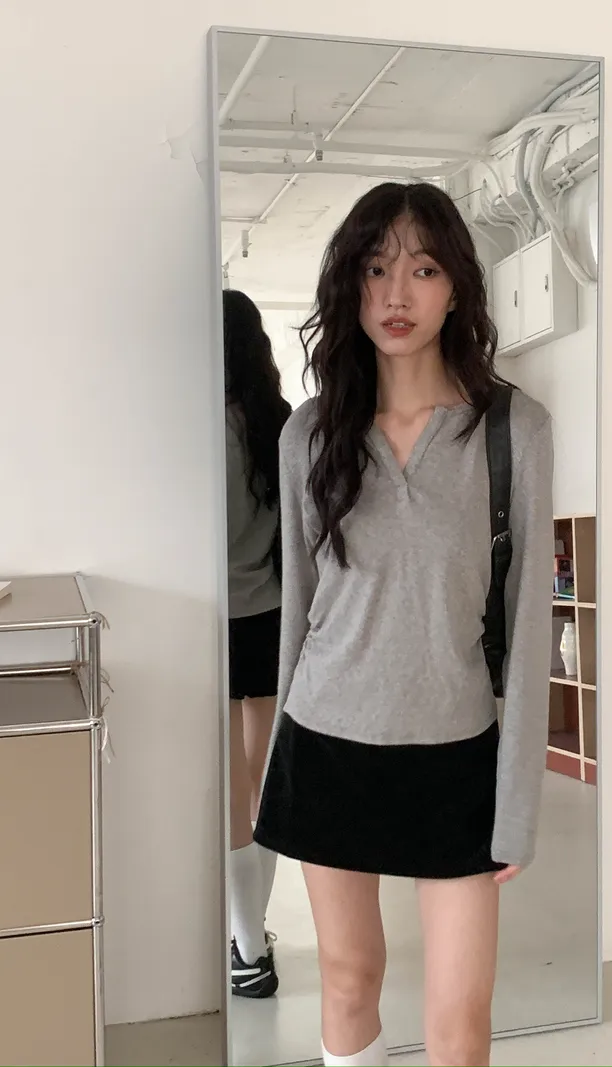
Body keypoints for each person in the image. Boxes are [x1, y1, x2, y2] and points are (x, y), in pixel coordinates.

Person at [254, 182, 554, 1066]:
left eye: (422, 270)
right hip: (327, 742)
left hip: (455, 754)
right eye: (376, 269)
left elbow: (529, 621)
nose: (396, 294)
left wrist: (518, 803)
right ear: (350, 284)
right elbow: (299, 617)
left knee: (461, 1017)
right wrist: (277, 772)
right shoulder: (310, 435)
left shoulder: (514, 429)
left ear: (456, 288)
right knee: (349, 980)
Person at [224, 288, 291, 998]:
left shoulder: (197, 428)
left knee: (229, 791)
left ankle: (247, 949)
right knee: (262, 781)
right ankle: (255, 932)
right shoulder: (279, 422)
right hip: (270, 613)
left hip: (213, 618)